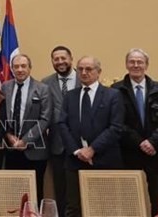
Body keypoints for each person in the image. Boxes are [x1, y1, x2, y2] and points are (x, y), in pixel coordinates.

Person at [111, 49, 158, 216]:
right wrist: (139, 142)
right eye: (132, 61)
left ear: (146, 65)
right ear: (126, 64)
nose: (136, 65)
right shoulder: (115, 90)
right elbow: (116, 122)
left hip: (157, 154)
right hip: (129, 155)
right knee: (129, 200)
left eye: (140, 62)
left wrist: (153, 142)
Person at [57, 56, 124, 217]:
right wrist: (77, 151)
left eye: (88, 69)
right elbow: (62, 124)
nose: (84, 73)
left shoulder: (113, 95)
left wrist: (92, 149)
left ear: (98, 72)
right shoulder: (70, 95)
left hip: (104, 160)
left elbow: (116, 127)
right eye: (80, 69)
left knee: (103, 207)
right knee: (74, 207)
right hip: (75, 161)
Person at [2, 53, 51, 204]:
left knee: (35, 192)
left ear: (30, 68)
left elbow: (45, 119)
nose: (20, 69)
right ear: (11, 69)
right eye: (16, 66)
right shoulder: (5, 87)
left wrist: (25, 140)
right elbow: (2, 116)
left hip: (35, 150)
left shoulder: (42, 88)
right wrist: (9, 137)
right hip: (11, 149)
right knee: (14, 193)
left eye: (23, 66)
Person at [41, 45, 80, 217]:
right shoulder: (45, 83)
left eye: (63, 58)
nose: (60, 62)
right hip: (57, 145)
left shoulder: (84, 77)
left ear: (71, 58)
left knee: (80, 189)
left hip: (81, 145)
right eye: (56, 59)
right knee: (61, 189)